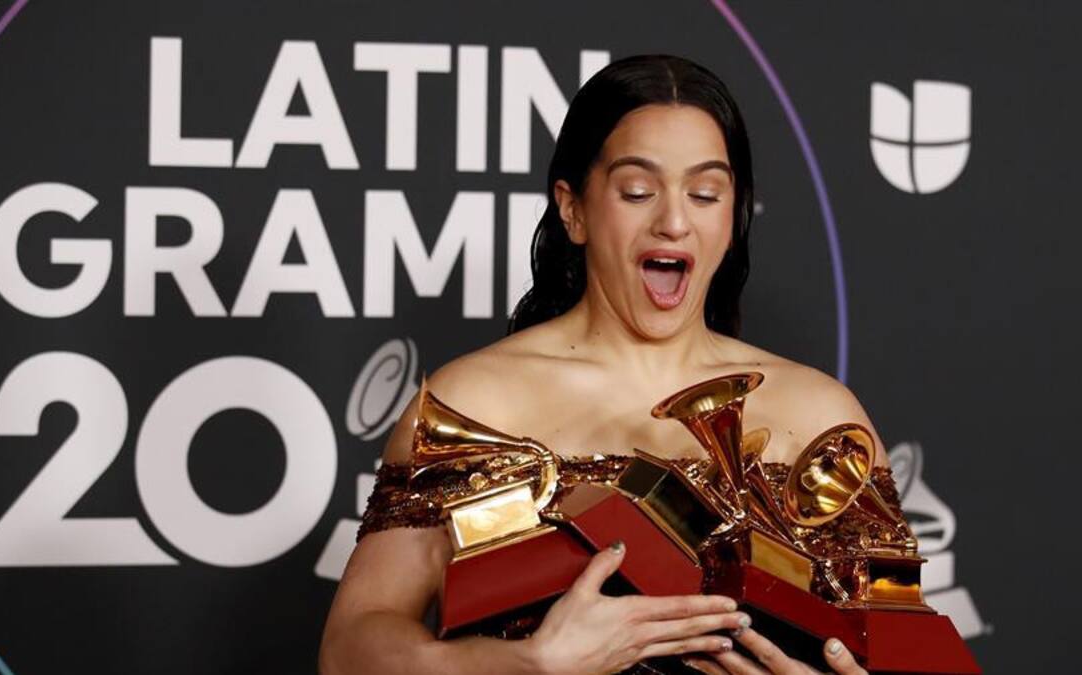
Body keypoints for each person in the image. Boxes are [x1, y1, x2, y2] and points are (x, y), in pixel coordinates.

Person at [319, 54, 890, 674]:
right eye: (638, 191)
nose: (674, 221)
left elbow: (905, 641)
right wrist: (530, 665)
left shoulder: (820, 416)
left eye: (705, 193)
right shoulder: (474, 403)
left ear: (733, 219)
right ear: (573, 210)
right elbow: (351, 649)